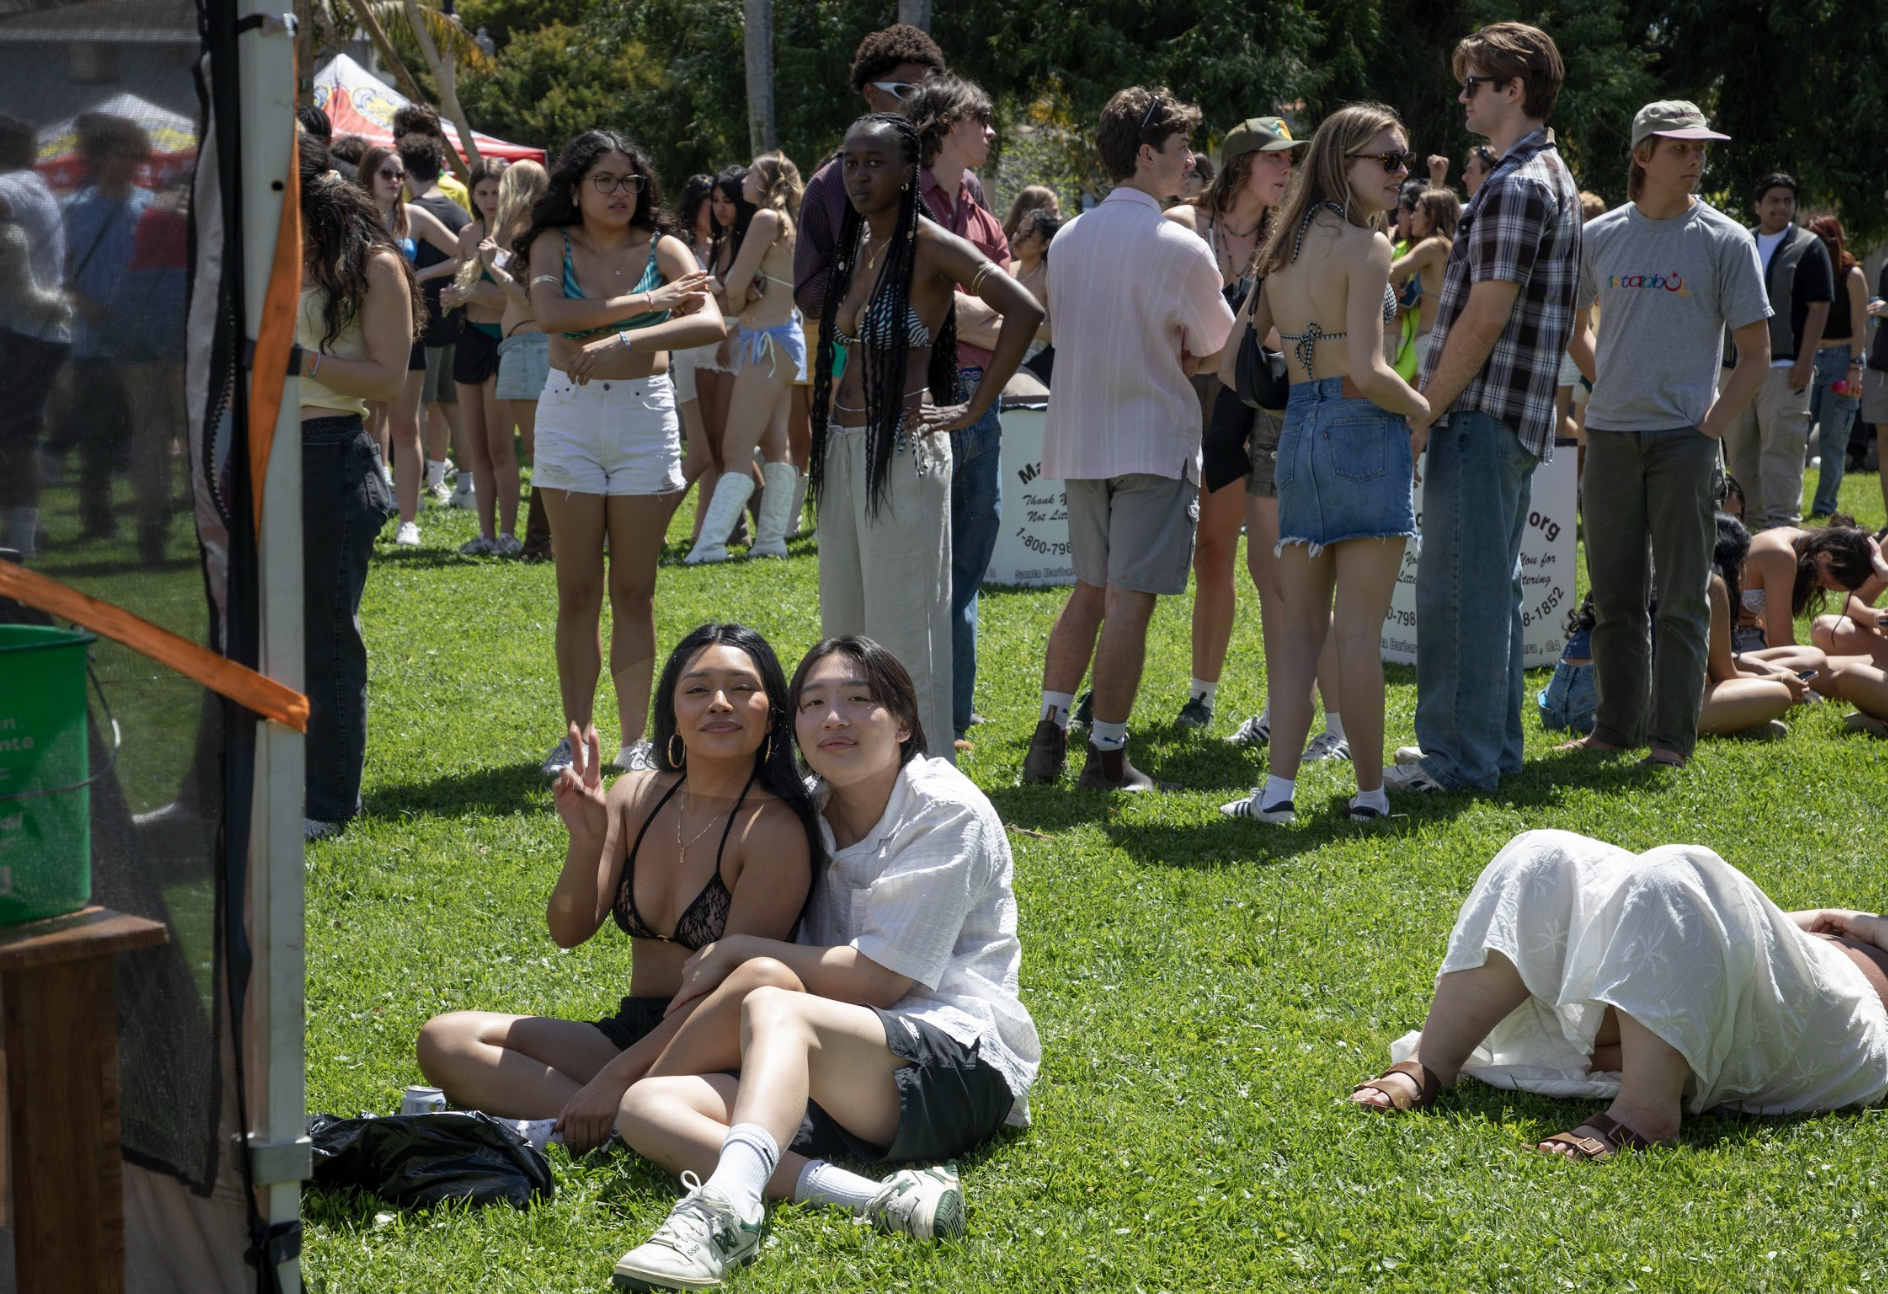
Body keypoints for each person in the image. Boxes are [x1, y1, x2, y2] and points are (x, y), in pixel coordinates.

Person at [606, 636, 1039, 1291]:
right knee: (647, 1106)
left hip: (957, 1065)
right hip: (841, 1067)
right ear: (796, 726)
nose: (833, 717)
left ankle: (727, 1211)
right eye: (813, 703)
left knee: (774, 1004)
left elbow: (880, 982)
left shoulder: (947, 811)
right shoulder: (807, 810)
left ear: (902, 725)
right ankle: (877, 1200)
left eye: (857, 700)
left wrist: (747, 949)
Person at [414, 623, 820, 1142]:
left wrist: (611, 1080)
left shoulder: (775, 829)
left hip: (719, 1045)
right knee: (445, 1039)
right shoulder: (635, 795)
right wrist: (586, 843)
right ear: (673, 713)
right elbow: (568, 930)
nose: (720, 703)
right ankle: (625, 1123)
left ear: (773, 715)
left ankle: (612, 1116)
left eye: (742, 688)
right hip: (634, 1031)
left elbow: (725, 992)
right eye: (698, 689)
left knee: (625, 1082)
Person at [1349, 829, 1888, 1161]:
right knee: (1546, 855)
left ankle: (1645, 1113)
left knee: (1678, 871)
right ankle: (1434, 1060)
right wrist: (1828, 922)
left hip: (1840, 1013)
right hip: (1797, 955)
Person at [1214, 104, 1426, 824]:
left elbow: (1230, 357)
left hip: (1296, 429)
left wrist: (1299, 362)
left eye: (1404, 160)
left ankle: (1276, 795)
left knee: (1302, 629)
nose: (1403, 174)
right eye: (1388, 161)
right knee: (1359, 632)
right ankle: (1370, 796)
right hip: (1362, 430)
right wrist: (1428, 409)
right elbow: (1369, 371)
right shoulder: (1366, 249)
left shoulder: (1280, 249)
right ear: (1343, 163)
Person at [1386, 23, 1583, 796]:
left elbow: (1484, 316)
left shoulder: (1515, 183)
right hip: (1510, 414)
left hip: (1481, 410)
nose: (1463, 95)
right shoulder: (1543, 175)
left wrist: (1421, 409)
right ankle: (1491, 749)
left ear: (1515, 90)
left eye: (1475, 83)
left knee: (1457, 590)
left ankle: (1457, 760)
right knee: (1488, 587)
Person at [808, 113, 1041, 764]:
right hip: (843, 445)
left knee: (905, 628)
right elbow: (841, 345)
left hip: (904, 451)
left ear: (909, 172)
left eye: (874, 162)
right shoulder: (858, 245)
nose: (858, 175)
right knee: (845, 625)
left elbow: (1024, 310)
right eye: (850, 162)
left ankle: (919, 779)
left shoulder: (930, 243)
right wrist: (825, 395)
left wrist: (973, 405)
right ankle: (855, 769)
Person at [1021, 86, 1234, 793]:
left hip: (1082, 435)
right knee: (1128, 601)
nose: (1190, 162)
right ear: (1146, 155)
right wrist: (1183, 357)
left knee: (1089, 591)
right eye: (1180, 151)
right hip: (1150, 437)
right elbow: (1218, 347)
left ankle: (1050, 732)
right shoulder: (1180, 246)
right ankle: (1107, 756)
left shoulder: (1070, 237)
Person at [1557, 100, 1771, 768]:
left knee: (1682, 597)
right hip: (1613, 439)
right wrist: (1604, 384)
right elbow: (1572, 321)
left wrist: (1708, 426)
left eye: (1702, 148)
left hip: (1685, 440)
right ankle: (1613, 729)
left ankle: (1671, 740)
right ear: (1643, 154)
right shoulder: (1601, 236)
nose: (1697, 159)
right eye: (1681, 148)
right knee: (1615, 596)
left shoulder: (1725, 239)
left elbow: (1755, 354)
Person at [519, 130, 723, 777]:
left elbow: (709, 321)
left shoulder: (662, 245)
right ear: (575, 188)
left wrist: (622, 340)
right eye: (604, 180)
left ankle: (636, 741)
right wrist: (652, 303)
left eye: (629, 181)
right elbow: (550, 313)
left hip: (643, 418)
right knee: (577, 590)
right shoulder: (553, 243)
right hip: (571, 418)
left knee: (635, 591)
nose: (619, 193)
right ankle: (577, 737)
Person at [294, 135, 423, 837]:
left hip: (328, 455)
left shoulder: (376, 266)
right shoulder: (270, 258)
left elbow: (387, 380)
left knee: (326, 637)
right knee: (256, 630)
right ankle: (264, 780)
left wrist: (299, 361)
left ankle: (329, 803)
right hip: (259, 455)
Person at [909, 75, 1013, 749]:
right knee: (923, 565)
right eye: (982, 118)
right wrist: (981, 313)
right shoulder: (904, 200)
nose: (992, 132)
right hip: (926, 403)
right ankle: (924, 712)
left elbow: (1013, 302)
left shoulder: (977, 207)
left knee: (969, 564)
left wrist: (966, 309)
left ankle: (951, 713)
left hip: (982, 403)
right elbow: (937, 306)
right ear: (947, 124)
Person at [684, 152, 804, 564]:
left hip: (765, 343)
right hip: (781, 341)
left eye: (752, 173)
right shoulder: (787, 221)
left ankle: (711, 544)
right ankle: (771, 540)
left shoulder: (765, 219)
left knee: (735, 447)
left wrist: (736, 289)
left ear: (767, 180)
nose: (746, 178)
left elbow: (735, 287)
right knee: (776, 445)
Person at [793, 24, 954, 323]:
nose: (919, 104)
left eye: (927, 93)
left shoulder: (959, 176)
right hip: (864, 359)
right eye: (905, 92)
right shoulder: (829, 184)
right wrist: (872, 266)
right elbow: (808, 295)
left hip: (962, 361)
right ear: (870, 94)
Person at [355, 142, 463, 547]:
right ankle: (373, 504)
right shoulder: (354, 216)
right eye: (386, 173)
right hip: (360, 331)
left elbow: (463, 253)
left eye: (400, 174)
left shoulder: (412, 217)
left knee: (405, 425)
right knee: (367, 424)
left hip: (406, 332)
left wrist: (420, 276)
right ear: (368, 175)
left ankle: (408, 520)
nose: (395, 181)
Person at [1721, 173, 1832, 531]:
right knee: (1740, 457)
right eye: (1773, 200)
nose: (1781, 207)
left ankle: (1785, 535)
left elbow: (1819, 307)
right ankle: (1747, 536)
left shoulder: (1810, 246)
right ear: (1757, 205)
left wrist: (1805, 360)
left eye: (1788, 200)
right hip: (1736, 370)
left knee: (1781, 457)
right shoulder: (1740, 241)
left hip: (1786, 369)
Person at [59, 113, 151, 542]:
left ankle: (149, 516)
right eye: (116, 154)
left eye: (131, 155)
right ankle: (98, 519)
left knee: (136, 432)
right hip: (91, 341)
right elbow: (61, 271)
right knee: (95, 437)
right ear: (98, 158)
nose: (124, 163)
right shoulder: (74, 209)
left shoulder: (149, 208)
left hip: (139, 341)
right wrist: (83, 303)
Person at [0, 111, 71, 561]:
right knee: (17, 434)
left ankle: (21, 540)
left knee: (19, 436)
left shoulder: (10, 188)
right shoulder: (34, 186)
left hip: (24, 330)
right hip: (39, 328)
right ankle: (22, 532)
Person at [442, 158, 521, 555]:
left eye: (497, 191)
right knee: (475, 449)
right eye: (483, 192)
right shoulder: (468, 233)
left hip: (503, 341)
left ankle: (508, 533)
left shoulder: (518, 234)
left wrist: (469, 293)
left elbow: (513, 299)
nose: (490, 199)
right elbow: (462, 286)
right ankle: (486, 534)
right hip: (470, 337)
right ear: (472, 194)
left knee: (501, 447)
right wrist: (454, 297)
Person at [400, 135, 475, 519]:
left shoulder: (412, 213)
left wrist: (424, 272)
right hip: (455, 322)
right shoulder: (459, 213)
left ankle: (425, 484)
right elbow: (468, 256)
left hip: (423, 323)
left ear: (407, 171)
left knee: (417, 410)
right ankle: (465, 483)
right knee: (451, 405)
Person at [484, 159, 554, 560]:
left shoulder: (526, 233)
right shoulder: (531, 232)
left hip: (529, 346)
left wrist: (496, 268)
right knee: (541, 448)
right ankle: (542, 540)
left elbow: (529, 296)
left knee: (540, 448)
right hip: (523, 346)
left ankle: (541, 542)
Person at [1701, 511, 1821, 738]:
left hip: (1631, 698)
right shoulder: (1713, 587)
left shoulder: (1667, 574)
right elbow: (1724, 676)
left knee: (1805, 660)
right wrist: (1778, 679)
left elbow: (1720, 661)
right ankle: (1734, 721)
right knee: (1777, 694)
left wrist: (1766, 670)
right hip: (1662, 709)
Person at [1805, 215, 1869, 518]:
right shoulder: (1804, 269)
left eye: (1815, 237)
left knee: (1833, 440)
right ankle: (1786, 502)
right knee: (1793, 435)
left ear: (1831, 240)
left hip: (1843, 358)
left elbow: (1860, 326)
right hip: (1808, 357)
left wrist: (1855, 366)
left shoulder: (1851, 274)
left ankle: (1823, 507)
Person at [1387, 187, 1459, 369]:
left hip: (1429, 339)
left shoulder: (1433, 245)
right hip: (1434, 337)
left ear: (1431, 215)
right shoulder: (1446, 246)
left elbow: (1389, 272)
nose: (1412, 217)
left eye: (1417, 210)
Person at [391, 102, 471, 212]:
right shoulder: (391, 186)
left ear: (424, 134)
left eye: (399, 133)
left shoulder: (458, 192)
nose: (394, 141)